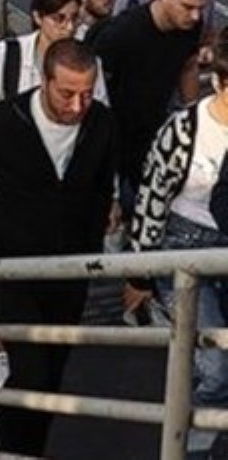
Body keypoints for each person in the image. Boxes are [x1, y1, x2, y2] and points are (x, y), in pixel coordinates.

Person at [0, 39, 120, 456]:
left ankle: (27, 449)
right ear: (45, 82)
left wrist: (91, 250)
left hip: (71, 272)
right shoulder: (3, 120)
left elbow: (102, 188)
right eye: (67, 93)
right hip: (14, 270)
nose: (78, 104)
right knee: (31, 370)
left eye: (87, 92)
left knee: (52, 374)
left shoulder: (101, 122)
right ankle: (5, 443)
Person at [127, 27, 228, 460]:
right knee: (217, 366)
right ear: (219, 81)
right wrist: (139, 275)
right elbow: (151, 202)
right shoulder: (184, 128)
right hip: (184, 246)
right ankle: (194, 448)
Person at [93, 0, 213, 218]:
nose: (194, 16)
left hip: (152, 132)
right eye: (188, 7)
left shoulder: (190, 28)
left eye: (200, 9)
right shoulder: (121, 34)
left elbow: (188, 67)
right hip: (113, 136)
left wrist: (193, 117)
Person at [0, 0, 110, 125]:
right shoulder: (5, 54)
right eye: (59, 19)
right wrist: (6, 125)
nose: (69, 27)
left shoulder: (89, 62)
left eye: (74, 18)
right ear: (38, 17)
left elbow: (100, 111)